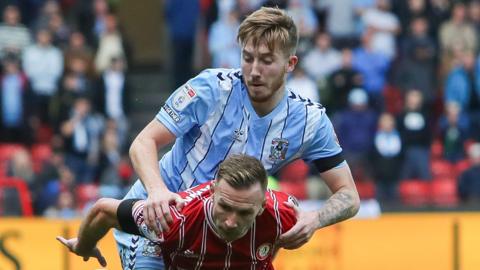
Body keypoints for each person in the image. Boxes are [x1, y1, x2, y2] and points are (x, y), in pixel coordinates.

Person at [118, 7, 360, 270]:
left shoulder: (309, 121)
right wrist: (156, 191)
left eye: (267, 60)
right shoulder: (210, 89)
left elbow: (349, 196)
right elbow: (143, 143)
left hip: (223, 230)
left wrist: (314, 219)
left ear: (290, 64)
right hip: (157, 219)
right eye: (248, 57)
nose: (254, 70)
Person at [57, 155, 297, 269]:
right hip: (156, 248)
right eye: (224, 207)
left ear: (262, 206)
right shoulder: (174, 219)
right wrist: (84, 245)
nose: (232, 222)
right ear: (212, 193)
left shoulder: (283, 216)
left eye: (244, 212)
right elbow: (103, 211)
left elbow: (275, 239)